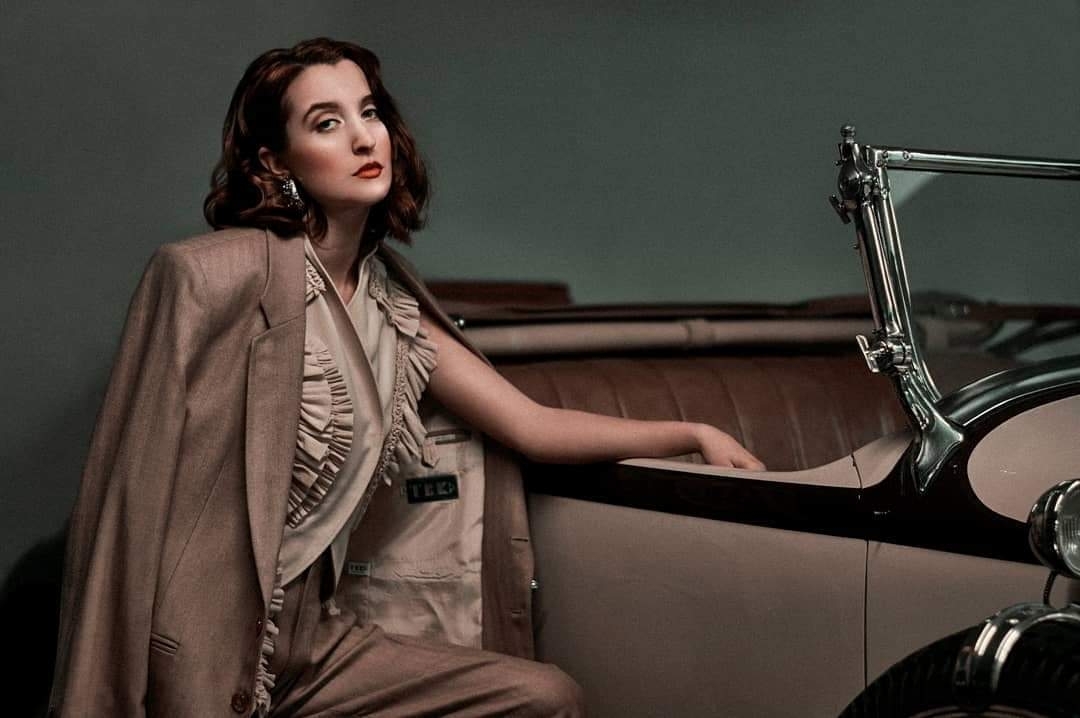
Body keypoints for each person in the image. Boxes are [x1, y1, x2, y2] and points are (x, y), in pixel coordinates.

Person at [48, 37, 764, 718]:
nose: (365, 138)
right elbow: (125, 505)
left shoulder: (392, 304)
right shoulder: (207, 276)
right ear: (276, 161)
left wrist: (690, 432)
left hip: (312, 644)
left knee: (543, 698)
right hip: (202, 647)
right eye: (327, 123)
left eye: (369, 112)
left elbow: (532, 427)